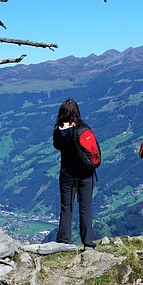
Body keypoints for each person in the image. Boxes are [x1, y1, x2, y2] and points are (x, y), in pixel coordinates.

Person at [51, 98, 96, 248]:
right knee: (85, 207)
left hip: (67, 174)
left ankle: (64, 240)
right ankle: (88, 242)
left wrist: (62, 128)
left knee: (66, 207)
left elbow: (57, 146)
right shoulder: (82, 128)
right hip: (85, 173)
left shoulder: (58, 131)